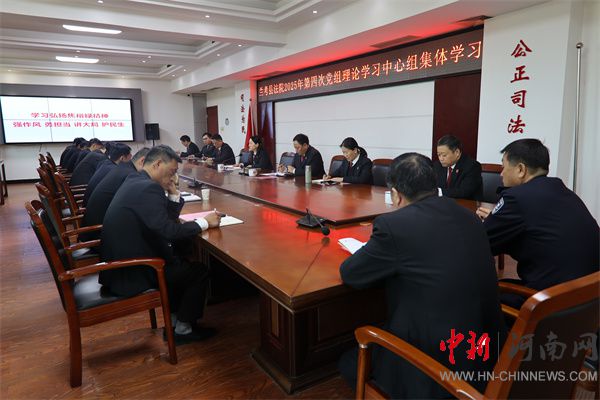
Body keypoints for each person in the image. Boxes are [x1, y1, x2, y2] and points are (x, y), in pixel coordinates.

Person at [339, 153, 506, 399]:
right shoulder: (469, 216)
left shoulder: (394, 225)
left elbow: (351, 274)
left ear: (396, 194)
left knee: (348, 363)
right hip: (490, 356)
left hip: (438, 368)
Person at [99, 145, 222, 344]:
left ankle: (173, 321)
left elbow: (162, 222)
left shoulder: (136, 180)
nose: (174, 177)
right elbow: (169, 231)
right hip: (133, 271)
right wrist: (205, 222)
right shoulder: (149, 187)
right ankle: (183, 330)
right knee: (197, 271)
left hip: (123, 265)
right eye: (172, 172)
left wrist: (173, 194)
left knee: (178, 261)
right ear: (157, 164)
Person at [476, 139, 599, 306]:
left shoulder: (517, 198)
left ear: (521, 169)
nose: (501, 174)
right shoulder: (564, 192)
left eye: (504, 167)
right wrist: (499, 218)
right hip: (586, 299)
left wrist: (491, 221)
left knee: (475, 294)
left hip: (549, 303)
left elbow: (482, 242)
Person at [81, 147, 150, 241]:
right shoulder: (130, 175)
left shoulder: (123, 169)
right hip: (98, 235)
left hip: (93, 229)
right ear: (142, 161)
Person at [433, 134, 482, 200]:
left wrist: (438, 192)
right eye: (439, 155)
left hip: (467, 204)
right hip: (444, 203)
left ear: (457, 152)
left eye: (444, 155)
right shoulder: (437, 165)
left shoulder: (472, 166)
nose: (441, 159)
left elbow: (464, 191)